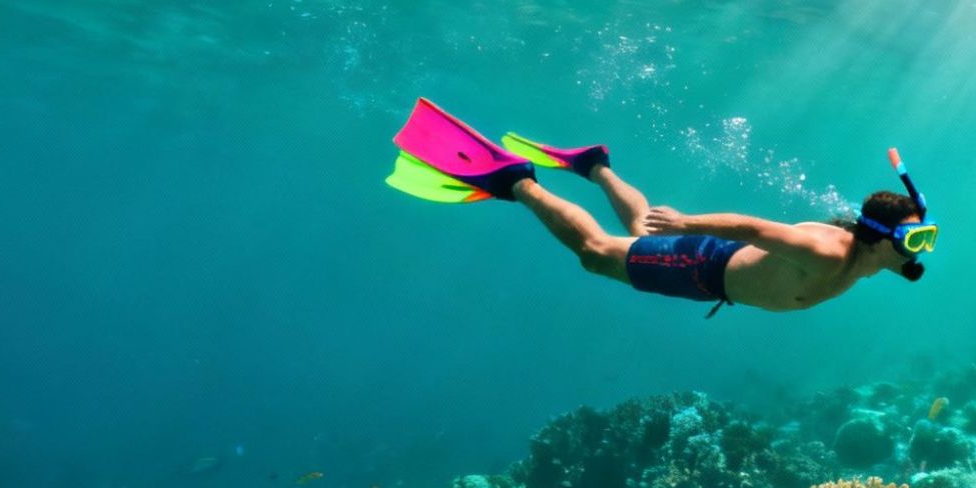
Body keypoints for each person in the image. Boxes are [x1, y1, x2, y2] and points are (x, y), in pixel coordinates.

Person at [385, 99, 935, 315]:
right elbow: (753, 226)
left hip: (710, 274)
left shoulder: (865, 258)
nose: (921, 249)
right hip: (702, 264)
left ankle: (595, 164)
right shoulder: (827, 250)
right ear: (878, 237)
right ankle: (517, 183)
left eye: (925, 238)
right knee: (596, 252)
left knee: (638, 228)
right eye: (915, 238)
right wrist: (689, 222)